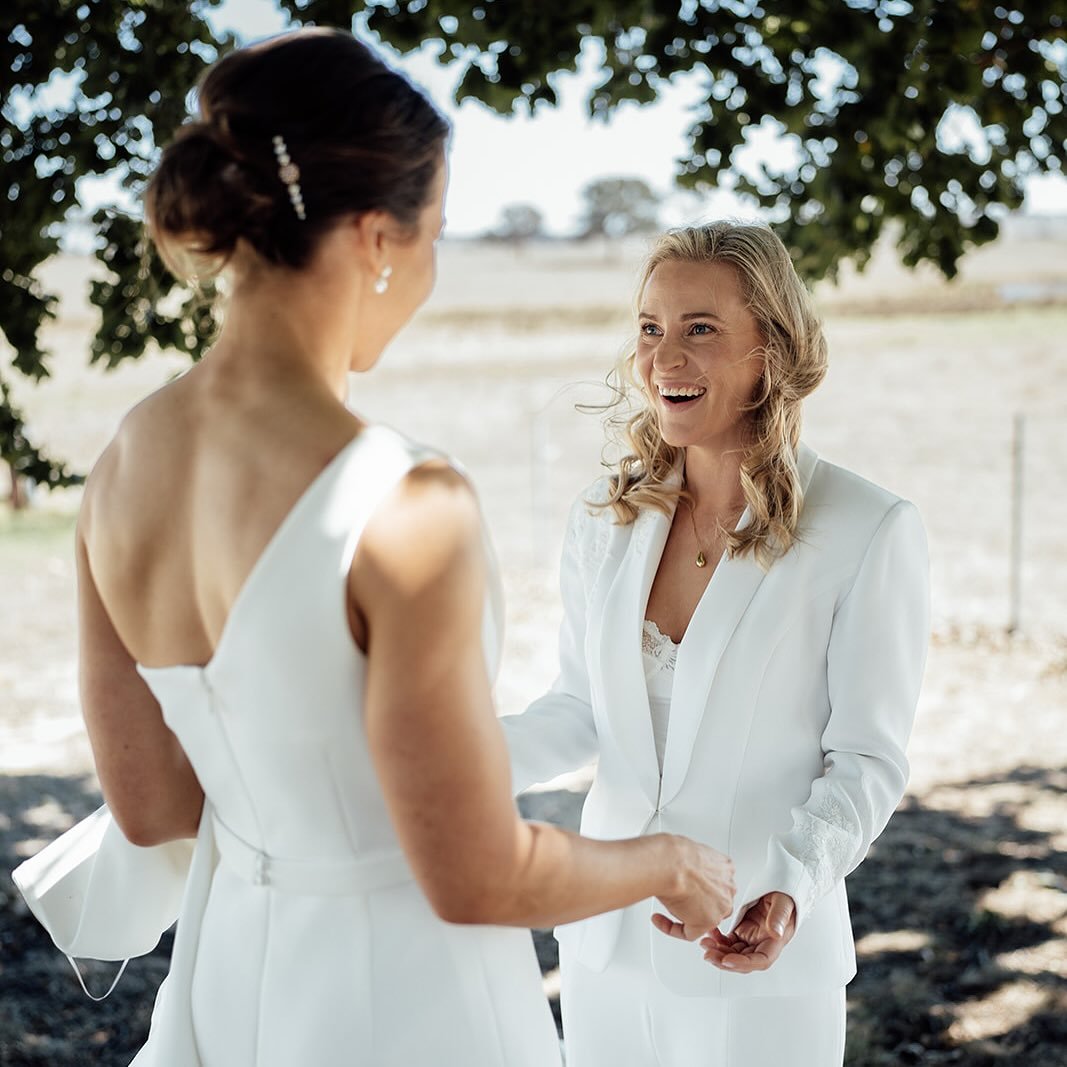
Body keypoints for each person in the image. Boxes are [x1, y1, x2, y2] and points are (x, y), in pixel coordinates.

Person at [72, 30, 736, 1067]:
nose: (429, 268)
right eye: (432, 235)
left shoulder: (121, 466)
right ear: (378, 237)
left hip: (232, 986)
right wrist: (664, 861)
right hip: (408, 1004)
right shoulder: (403, 501)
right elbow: (477, 873)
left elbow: (154, 807)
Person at [501, 221, 931, 1066]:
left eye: (700, 329)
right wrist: (448, 761)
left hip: (759, 952)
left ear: (769, 348)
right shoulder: (605, 516)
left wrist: (790, 886)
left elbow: (866, 758)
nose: (665, 358)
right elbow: (578, 707)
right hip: (603, 947)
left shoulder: (867, 527)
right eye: (651, 329)